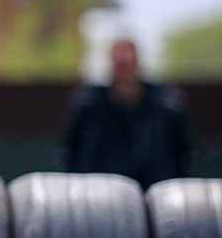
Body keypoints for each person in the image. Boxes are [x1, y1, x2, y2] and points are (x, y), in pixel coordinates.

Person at [61, 35, 192, 186]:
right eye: (120, 65)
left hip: (154, 192)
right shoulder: (88, 105)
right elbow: (70, 151)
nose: (125, 74)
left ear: (137, 64)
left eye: (128, 65)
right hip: (100, 191)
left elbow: (184, 153)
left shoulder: (165, 105)